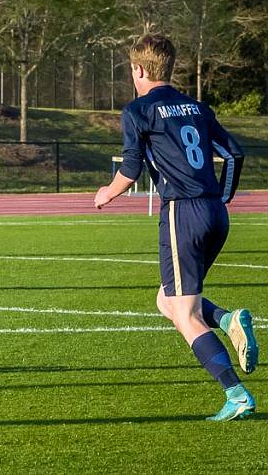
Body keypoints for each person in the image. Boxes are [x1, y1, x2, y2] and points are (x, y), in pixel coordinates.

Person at [94, 34, 257, 421]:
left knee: (184, 314)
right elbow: (234, 153)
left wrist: (106, 194)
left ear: (138, 69)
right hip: (216, 213)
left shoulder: (138, 110)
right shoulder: (198, 107)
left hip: (182, 213)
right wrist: (222, 197)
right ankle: (227, 319)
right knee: (166, 300)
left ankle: (236, 394)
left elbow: (130, 169)